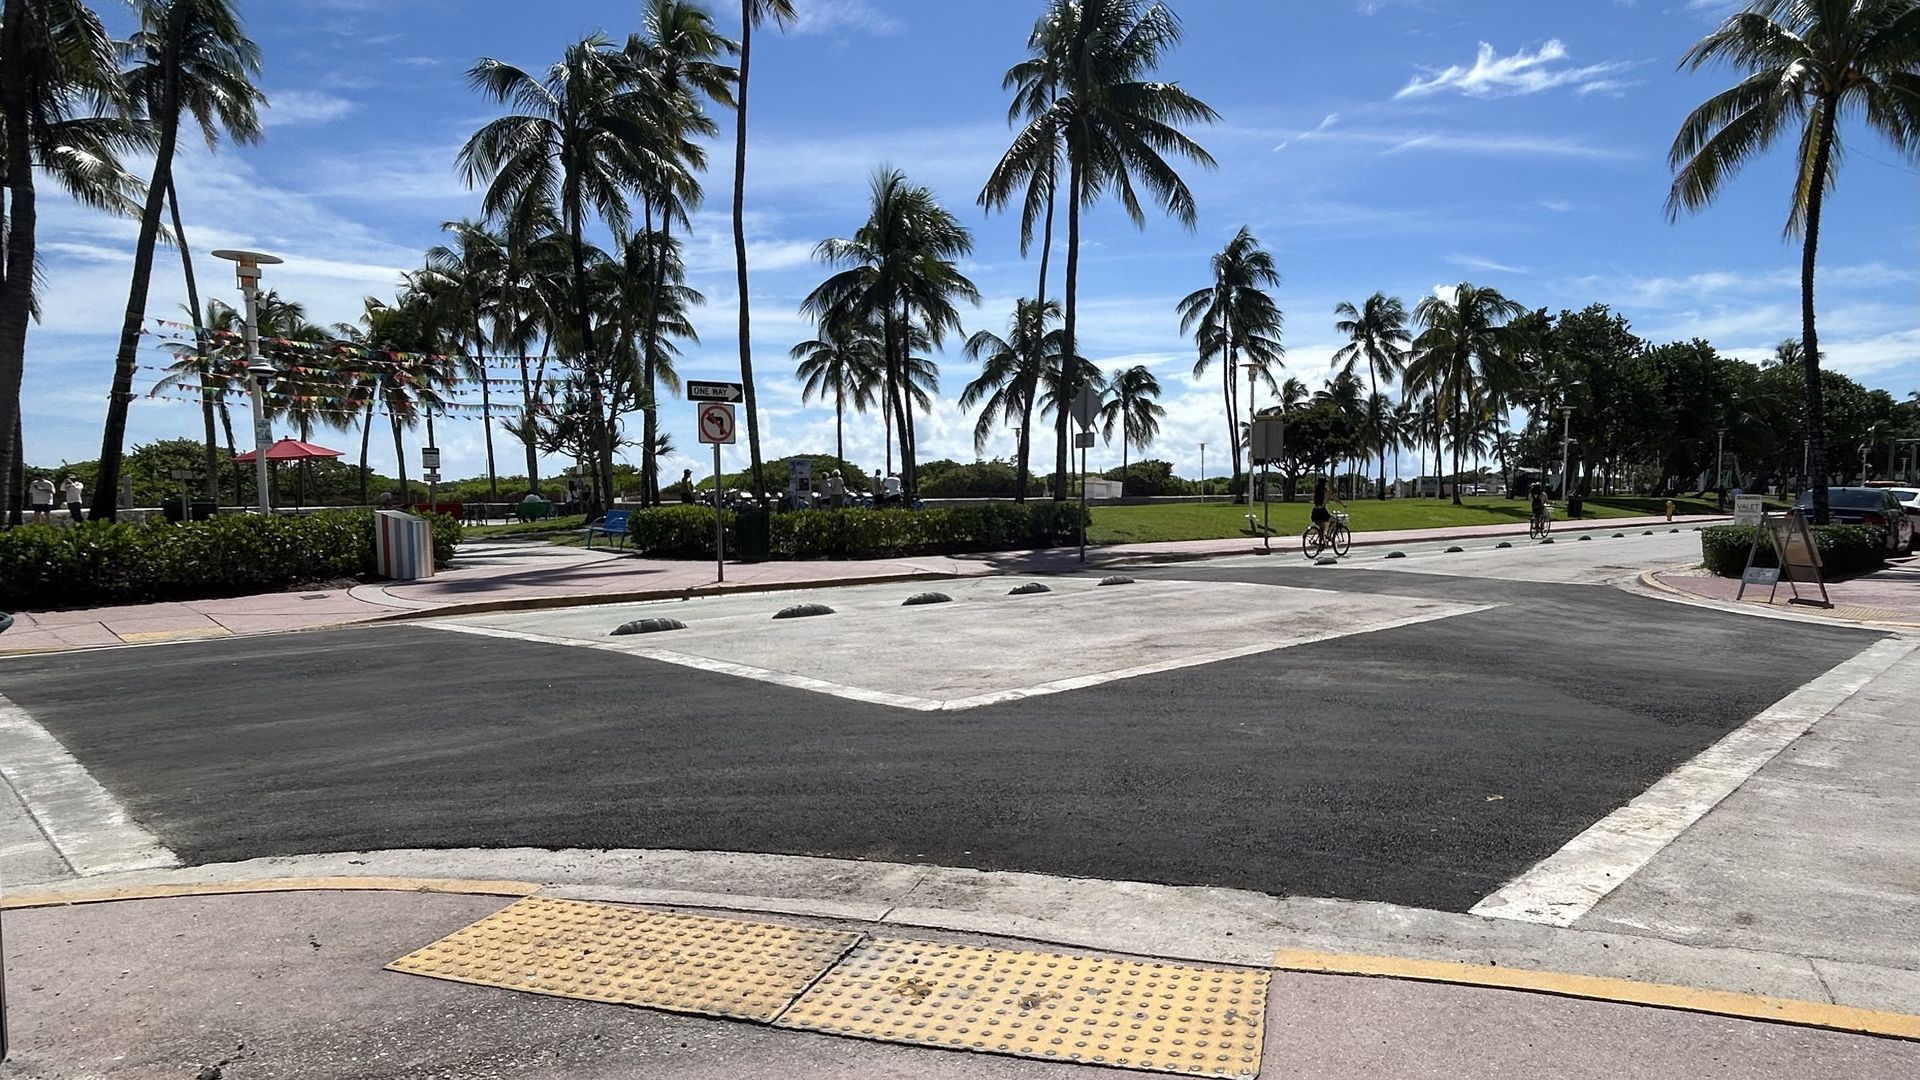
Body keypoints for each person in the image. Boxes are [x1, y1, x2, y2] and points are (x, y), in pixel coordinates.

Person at [1311, 474, 1344, 539]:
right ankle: (1328, 534)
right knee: (1334, 520)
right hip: (1322, 511)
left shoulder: (1317, 491)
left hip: (1315, 512)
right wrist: (1343, 504)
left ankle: (1321, 542)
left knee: (1322, 527)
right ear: (1324, 484)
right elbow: (1335, 498)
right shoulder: (1326, 492)